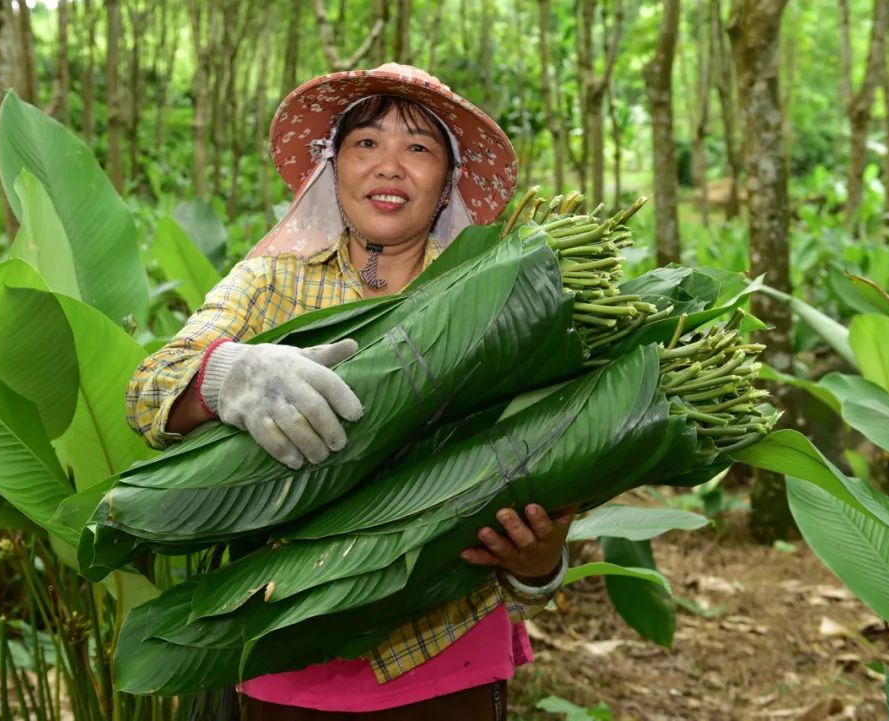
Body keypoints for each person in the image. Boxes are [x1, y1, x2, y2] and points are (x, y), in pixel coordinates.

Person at [126, 64, 575, 720]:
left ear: (448, 181)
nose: (389, 166)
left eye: (418, 147)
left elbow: (549, 460)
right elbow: (148, 392)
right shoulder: (270, 283)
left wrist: (541, 563)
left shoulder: (498, 296)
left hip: (445, 649)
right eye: (366, 143)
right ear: (332, 166)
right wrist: (228, 376)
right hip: (285, 641)